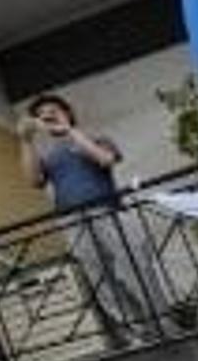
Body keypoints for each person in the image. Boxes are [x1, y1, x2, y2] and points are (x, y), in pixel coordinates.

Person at [23, 93, 151, 343]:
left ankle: (161, 321)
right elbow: (33, 180)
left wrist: (69, 129)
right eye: (41, 115)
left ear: (68, 112)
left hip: (106, 211)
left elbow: (105, 159)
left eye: (53, 110)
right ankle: (135, 332)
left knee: (133, 269)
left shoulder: (95, 138)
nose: (47, 116)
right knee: (99, 278)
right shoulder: (48, 155)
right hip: (72, 221)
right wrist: (26, 140)